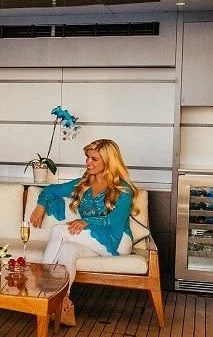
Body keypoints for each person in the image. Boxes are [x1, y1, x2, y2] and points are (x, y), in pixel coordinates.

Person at [28, 138, 137, 326]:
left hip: (118, 240)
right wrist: (40, 206)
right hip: (94, 241)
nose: (88, 162)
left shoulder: (123, 189)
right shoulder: (83, 184)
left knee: (59, 231)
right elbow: (52, 190)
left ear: (108, 161)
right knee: (67, 250)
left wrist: (86, 221)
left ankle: (42, 288)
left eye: (94, 159)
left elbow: (114, 221)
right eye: (88, 157)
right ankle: (63, 301)